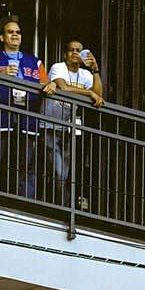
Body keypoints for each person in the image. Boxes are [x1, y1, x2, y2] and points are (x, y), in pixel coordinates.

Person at [0, 18, 46, 197]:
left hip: (28, 116)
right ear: (2, 37)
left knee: (27, 163)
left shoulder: (35, 62)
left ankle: (25, 201)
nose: (15, 35)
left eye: (18, 32)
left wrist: (52, 85)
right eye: (10, 32)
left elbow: (46, 85)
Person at [42, 38, 105, 201]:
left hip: (68, 129)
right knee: (56, 170)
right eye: (72, 50)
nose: (75, 53)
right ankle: (56, 204)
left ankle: (61, 205)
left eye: (79, 50)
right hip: (50, 124)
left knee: (65, 171)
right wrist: (88, 93)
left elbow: (99, 95)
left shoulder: (85, 74)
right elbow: (64, 88)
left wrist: (95, 70)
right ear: (65, 54)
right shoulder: (58, 67)